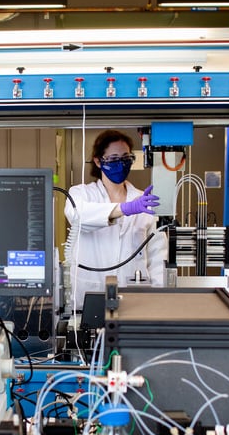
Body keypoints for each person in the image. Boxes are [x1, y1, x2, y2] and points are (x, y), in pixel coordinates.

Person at [63, 129, 168, 312]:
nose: (120, 163)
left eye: (126, 158)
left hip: (136, 299)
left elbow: (157, 258)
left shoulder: (143, 201)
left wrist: (159, 301)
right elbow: (77, 215)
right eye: (113, 159)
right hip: (89, 296)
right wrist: (124, 209)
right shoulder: (82, 194)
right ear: (98, 161)